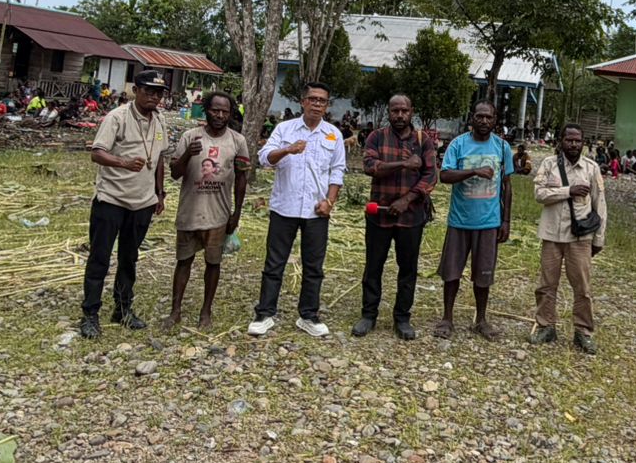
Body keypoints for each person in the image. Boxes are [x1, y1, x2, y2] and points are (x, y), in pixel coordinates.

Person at [78, 68, 172, 338]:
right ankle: (90, 313)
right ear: (136, 91)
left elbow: (159, 158)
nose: (155, 97)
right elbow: (97, 153)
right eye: (149, 91)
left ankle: (122, 308)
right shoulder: (116, 117)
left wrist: (160, 193)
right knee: (100, 257)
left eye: (159, 93)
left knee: (129, 258)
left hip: (142, 201)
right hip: (112, 198)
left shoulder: (159, 120)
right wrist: (124, 163)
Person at [249, 81, 346, 338]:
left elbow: (337, 172)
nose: (316, 104)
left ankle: (308, 316)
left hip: (317, 212)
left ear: (327, 106)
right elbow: (263, 158)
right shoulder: (284, 129)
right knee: (274, 263)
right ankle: (265, 313)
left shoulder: (333, 135)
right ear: (303, 101)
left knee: (314, 266)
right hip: (284, 208)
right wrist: (288, 150)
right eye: (312, 99)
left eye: (321, 100)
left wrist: (330, 202)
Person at [355, 93, 437, 341]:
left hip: (411, 217)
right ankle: (368, 315)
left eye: (404, 111)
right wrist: (402, 164)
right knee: (373, 266)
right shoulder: (376, 137)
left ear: (412, 112)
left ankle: (402, 318)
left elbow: (431, 176)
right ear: (388, 112)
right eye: (395, 111)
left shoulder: (423, 140)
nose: (399, 115)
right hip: (378, 215)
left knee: (408, 269)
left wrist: (406, 200)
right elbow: (370, 167)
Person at [167, 90, 250, 330]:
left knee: (213, 263)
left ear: (230, 114)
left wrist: (237, 213)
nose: (220, 115)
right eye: (215, 110)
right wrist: (186, 156)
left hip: (219, 215)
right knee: (183, 261)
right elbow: (175, 173)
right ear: (206, 110)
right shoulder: (190, 137)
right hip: (190, 212)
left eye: (225, 111)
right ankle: (175, 311)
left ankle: (206, 311)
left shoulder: (237, 141)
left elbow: (242, 178)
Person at [434, 101, 513, 340]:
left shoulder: (502, 147)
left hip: (489, 222)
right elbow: (445, 175)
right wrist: (473, 171)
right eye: (479, 116)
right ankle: (447, 317)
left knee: (484, 273)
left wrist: (506, 220)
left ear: (495, 119)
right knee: (452, 272)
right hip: (460, 220)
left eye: (489, 117)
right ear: (472, 118)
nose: (484, 121)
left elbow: (507, 186)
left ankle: (481, 319)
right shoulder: (458, 144)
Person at [531, 123, 605, 353]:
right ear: (560, 141)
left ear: (583, 143)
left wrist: (599, 239)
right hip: (552, 234)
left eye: (577, 140)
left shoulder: (591, 169)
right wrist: (568, 191)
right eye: (569, 140)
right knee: (546, 285)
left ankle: (583, 332)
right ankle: (545, 326)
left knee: (582, 287)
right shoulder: (548, 165)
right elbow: (539, 194)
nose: (573, 144)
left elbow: (599, 205)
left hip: (580, 238)